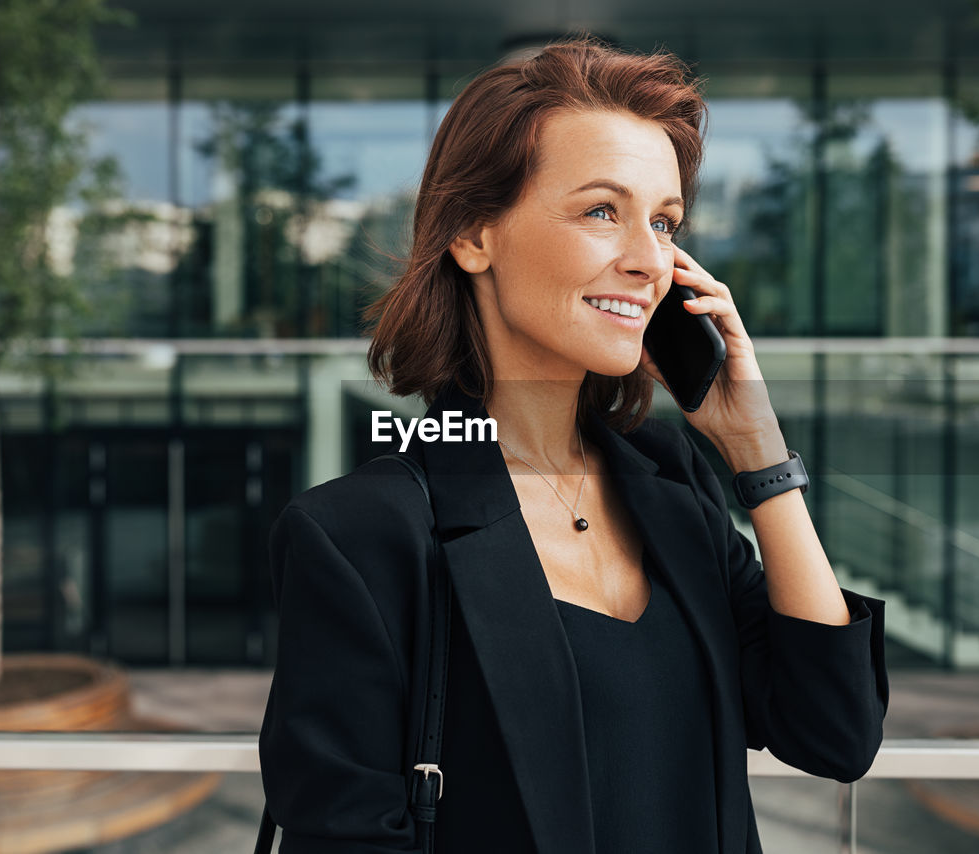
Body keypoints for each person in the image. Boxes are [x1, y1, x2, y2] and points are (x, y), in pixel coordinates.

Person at [258, 34, 889, 854]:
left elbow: (835, 735)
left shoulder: (675, 488)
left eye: (664, 223)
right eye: (602, 211)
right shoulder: (359, 540)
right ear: (473, 235)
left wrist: (757, 452)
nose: (649, 261)